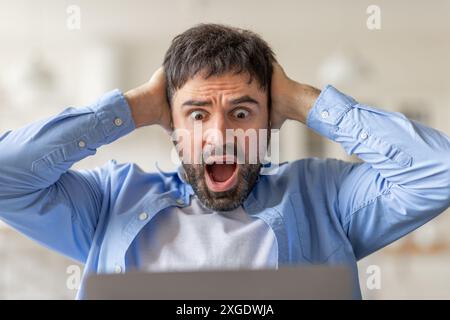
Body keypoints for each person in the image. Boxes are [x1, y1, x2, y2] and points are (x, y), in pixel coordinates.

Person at [0, 24, 449, 299]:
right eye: (197, 114)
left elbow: (440, 172)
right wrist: (131, 109)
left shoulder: (325, 198)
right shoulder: (109, 201)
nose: (219, 136)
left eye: (241, 113)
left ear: (271, 120)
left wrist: (303, 101)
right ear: (169, 122)